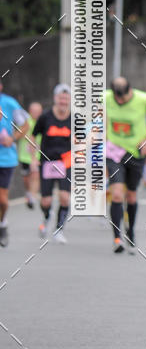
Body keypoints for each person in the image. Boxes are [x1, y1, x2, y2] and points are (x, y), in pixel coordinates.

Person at [104, 77, 146, 253]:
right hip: (114, 151)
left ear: (130, 91)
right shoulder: (106, 97)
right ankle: (117, 238)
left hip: (136, 152)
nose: (120, 101)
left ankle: (130, 231)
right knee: (116, 194)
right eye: (117, 98)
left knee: (131, 196)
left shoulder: (143, 99)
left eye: (123, 97)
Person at [33, 85, 72, 243]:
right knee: (46, 201)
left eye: (66, 99)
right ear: (55, 99)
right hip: (47, 163)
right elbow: (33, 136)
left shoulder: (74, 119)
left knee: (64, 197)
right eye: (61, 98)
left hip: (66, 163)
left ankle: (59, 229)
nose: (63, 101)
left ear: (69, 100)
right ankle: (46, 217)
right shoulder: (45, 117)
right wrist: (33, 159)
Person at [0, 79, 29, 247]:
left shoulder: (9, 103)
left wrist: (12, 138)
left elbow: (25, 125)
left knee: (3, 200)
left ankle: (2, 224)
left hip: (6, 159)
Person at [18, 101, 42, 208]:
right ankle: (28, 192)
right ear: (30, 111)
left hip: (37, 155)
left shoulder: (43, 122)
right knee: (26, 179)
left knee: (36, 175)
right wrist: (24, 132)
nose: (36, 113)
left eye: (38, 111)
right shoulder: (25, 123)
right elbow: (17, 135)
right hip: (25, 156)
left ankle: (32, 197)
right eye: (34, 111)